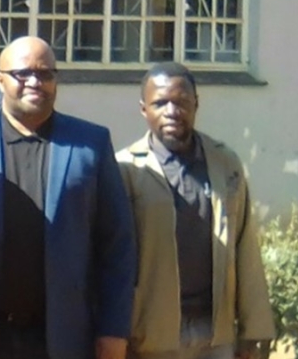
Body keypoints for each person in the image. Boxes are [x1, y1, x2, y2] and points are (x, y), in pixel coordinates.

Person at [0, 36, 136, 359]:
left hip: (64, 337)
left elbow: (117, 245)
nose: (35, 82)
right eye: (23, 73)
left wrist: (113, 330)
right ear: (0, 80)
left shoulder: (91, 144)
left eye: (45, 74)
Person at [117, 63, 275, 359]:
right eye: (160, 103)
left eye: (181, 102)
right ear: (143, 109)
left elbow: (245, 246)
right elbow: (114, 259)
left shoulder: (225, 163)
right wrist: (114, 333)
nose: (172, 111)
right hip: (152, 335)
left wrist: (253, 328)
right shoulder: (125, 169)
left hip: (214, 333)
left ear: (196, 104)